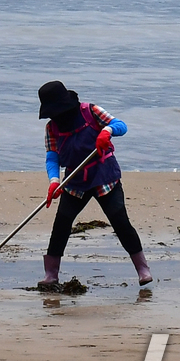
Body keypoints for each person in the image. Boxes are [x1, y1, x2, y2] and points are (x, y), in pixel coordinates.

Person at [37, 81, 152, 289]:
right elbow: (52, 158)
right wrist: (54, 182)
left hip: (104, 177)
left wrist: (107, 131)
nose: (57, 117)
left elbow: (121, 126)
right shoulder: (51, 128)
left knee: (120, 222)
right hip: (74, 181)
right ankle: (50, 274)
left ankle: (143, 269)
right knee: (61, 225)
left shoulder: (91, 111)